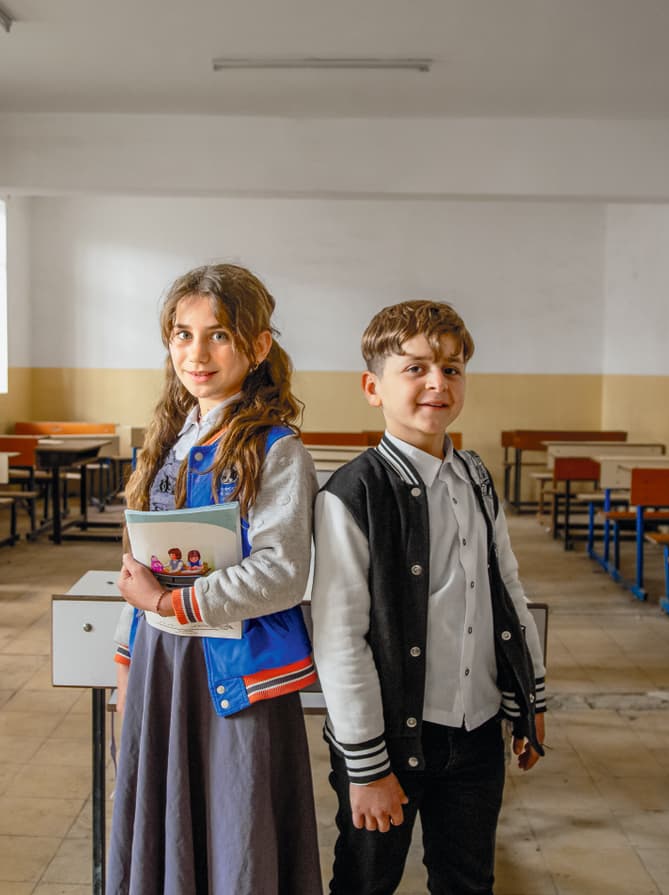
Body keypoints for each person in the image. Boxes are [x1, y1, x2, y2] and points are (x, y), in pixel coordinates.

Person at [311, 300, 546, 895]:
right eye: (414, 368)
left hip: (476, 731)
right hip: (389, 739)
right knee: (367, 880)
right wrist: (367, 768)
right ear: (373, 386)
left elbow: (506, 588)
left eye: (452, 367)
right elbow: (340, 639)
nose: (437, 382)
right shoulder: (352, 492)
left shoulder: (476, 477)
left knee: (467, 880)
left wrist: (529, 694)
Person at [108, 263, 323, 895]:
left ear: (258, 346)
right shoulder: (169, 444)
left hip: (238, 676)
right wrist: (127, 657)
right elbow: (144, 564)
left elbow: (282, 573)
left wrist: (170, 604)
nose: (196, 353)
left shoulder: (276, 449)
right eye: (182, 334)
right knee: (167, 825)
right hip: (162, 665)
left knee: (236, 828)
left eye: (219, 335)